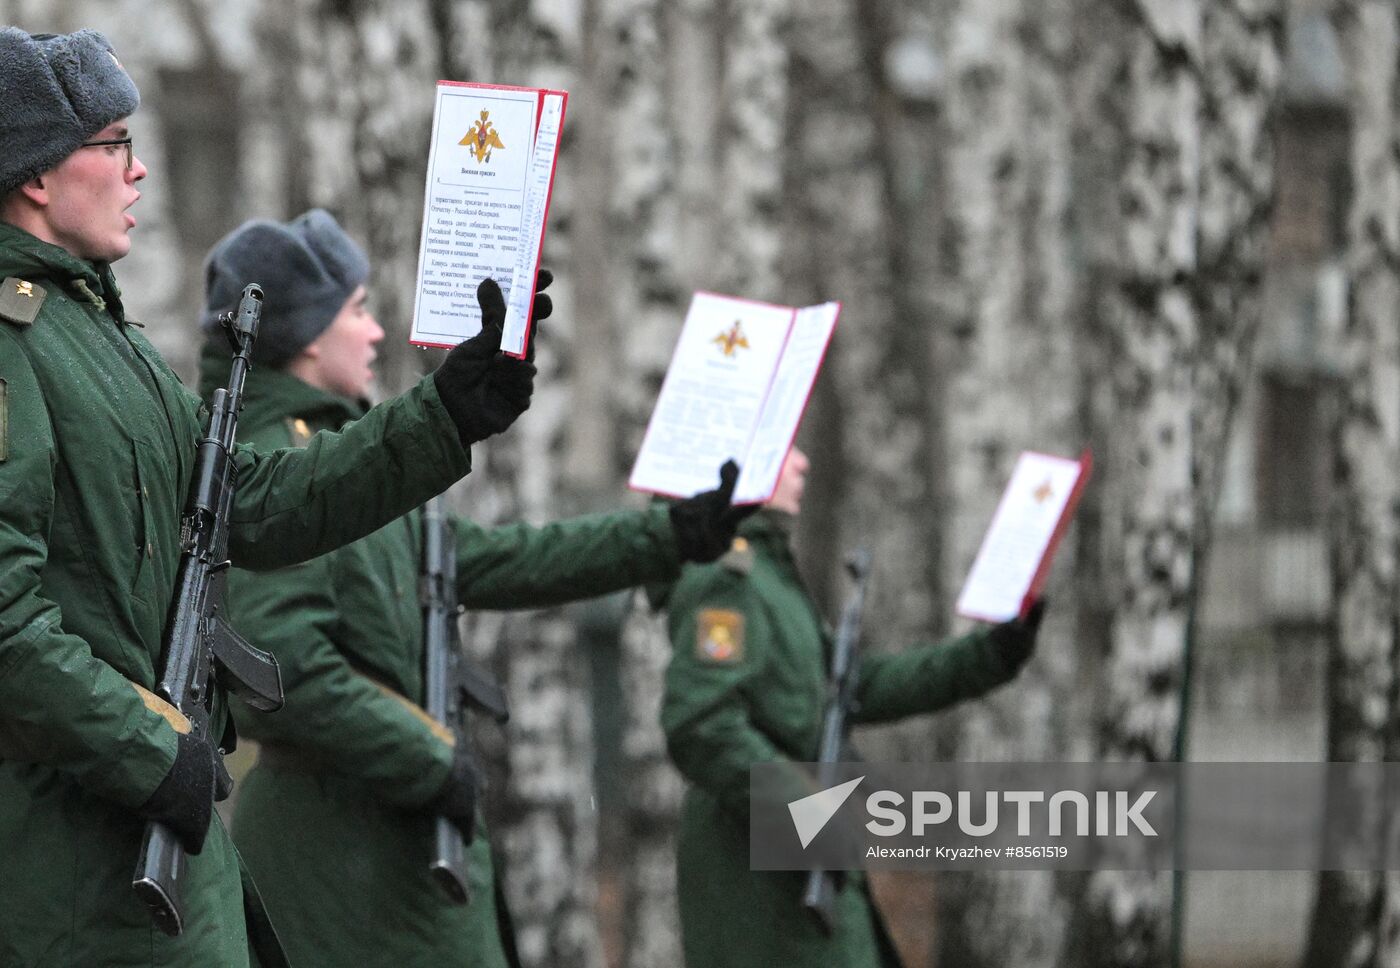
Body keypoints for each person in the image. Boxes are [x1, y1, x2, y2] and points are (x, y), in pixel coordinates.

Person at [0, 27, 540, 967]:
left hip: (156, 852)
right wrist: (150, 749)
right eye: (114, 143)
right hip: (82, 875)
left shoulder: (98, 335)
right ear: (38, 174)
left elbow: (250, 500)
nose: (137, 172)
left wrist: (444, 415)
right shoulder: (15, 342)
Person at [193, 210, 753, 968]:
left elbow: (502, 560)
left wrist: (670, 535)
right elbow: (287, 665)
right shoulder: (278, 471)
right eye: (357, 310)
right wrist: (430, 757)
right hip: (339, 857)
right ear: (306, 336)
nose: (377, 332)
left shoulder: (340, 467)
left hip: (387, 850)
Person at [659, 446, 1045, 967]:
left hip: (797, 865)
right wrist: (804, 810)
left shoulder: (769, 575)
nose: (802, 462)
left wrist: (991, 652)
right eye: (784, 447)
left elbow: (847, 689)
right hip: (754, 875)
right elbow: (703, 726)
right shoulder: (726, 578)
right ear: (736, 459)